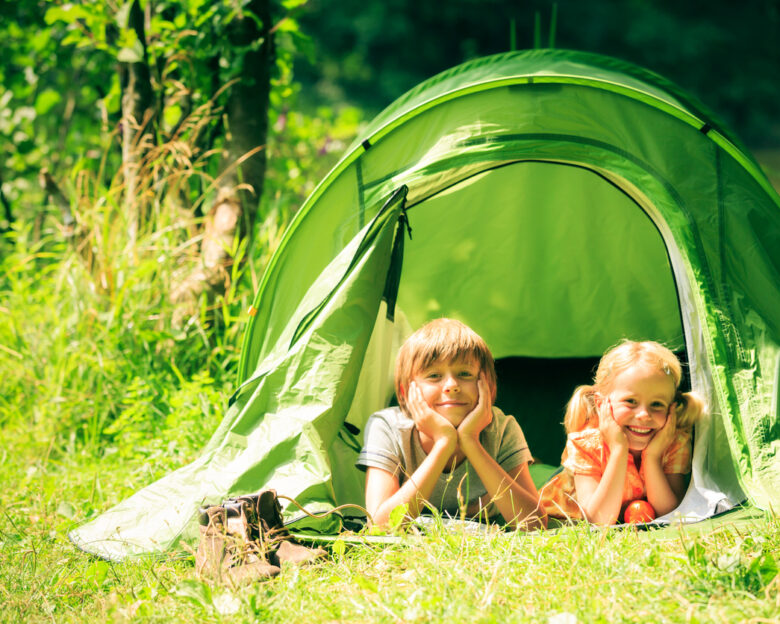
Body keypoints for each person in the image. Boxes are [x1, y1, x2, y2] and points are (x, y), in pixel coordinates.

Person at [357, 318, 546, 530]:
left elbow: (534, 524)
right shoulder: (387, 427)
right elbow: (380, 525)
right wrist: (443, 444)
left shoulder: (502, 428)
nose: (451, 386)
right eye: (434, 376)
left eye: (464, 374)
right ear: (406, 391)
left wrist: (470, 441)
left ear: (489, 386)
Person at [540, 340, 705, 525]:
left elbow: (672, 513)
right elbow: (598, 520)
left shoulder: (671, 441)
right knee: (536, 473)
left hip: (629, 514)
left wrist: (652, 457)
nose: (643, 415)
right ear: (602, 403)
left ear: (671, 408)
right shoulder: (587, 444)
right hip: (561, 509)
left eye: (657, 404)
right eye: (631, 401)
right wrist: (619, 449)